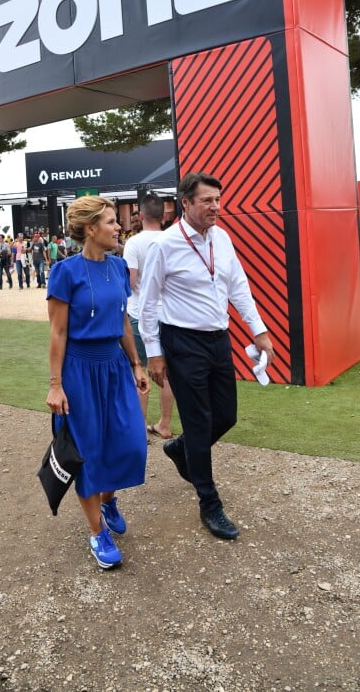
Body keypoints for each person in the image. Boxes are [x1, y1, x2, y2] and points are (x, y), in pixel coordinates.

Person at [138, 172, 274, 541]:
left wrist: (259, 331)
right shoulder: (164, 245)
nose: (215, 207)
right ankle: (209, 501)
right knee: (199, 422)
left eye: (217, 199)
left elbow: (239, 288)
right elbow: (147, 303)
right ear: (185, 203)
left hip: (218, 339)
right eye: (206, 201)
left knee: (225, 415)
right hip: (181, 341)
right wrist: (154, 353)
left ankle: (182, 449)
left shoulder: (223, 238)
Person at [45, 196, 148, 570]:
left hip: (115, 366)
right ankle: (97, 531)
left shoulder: (119, 268)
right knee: (86, 453)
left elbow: (122, 321)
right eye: (110, 222)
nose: (118, 227)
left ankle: (108, 498)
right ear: (91, 229)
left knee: (131, 443)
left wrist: (136, 364)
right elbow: (57, 334)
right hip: (79, 371)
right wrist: (56, 384)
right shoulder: (65, 272)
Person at [123, 192, 175, 439]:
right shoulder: (172, 239)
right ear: (163, 216)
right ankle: (164, 424)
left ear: (141, 215)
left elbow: (130, 280)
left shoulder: (134, 243)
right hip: (169, 314)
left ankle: (140, 427)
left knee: (140, 369)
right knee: (166, 371)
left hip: (139, 312)